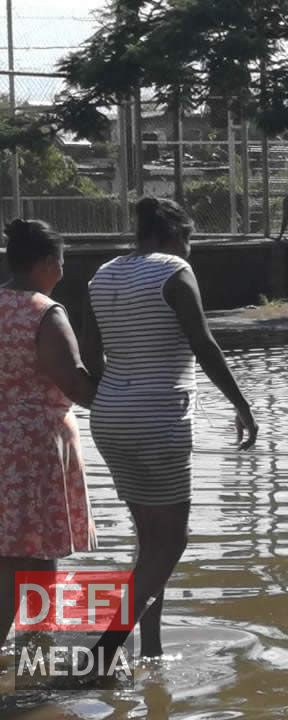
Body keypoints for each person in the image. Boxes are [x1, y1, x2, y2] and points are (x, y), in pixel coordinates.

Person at [82, 197, 257, 665]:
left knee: (149, 545)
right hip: (158, 419)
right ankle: (105, 653)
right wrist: (241, 405)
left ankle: (151, 651)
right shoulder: (174, 270)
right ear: (174, 235)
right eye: (189, 239)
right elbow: (203, 342)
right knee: (172, 542)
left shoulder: (103, 274)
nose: (190, 249)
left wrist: (120, 392)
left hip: (109, 416)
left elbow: (91, 353)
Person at [0, 219, 98, 645]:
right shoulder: (43, 311)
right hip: (34, 447)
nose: (61, 272)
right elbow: (74, 381)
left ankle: (33, 650)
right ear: (43, 263)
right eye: (59, 263)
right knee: (34, 550)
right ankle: (32, 651)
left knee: (18, 550)